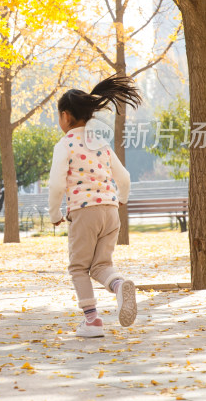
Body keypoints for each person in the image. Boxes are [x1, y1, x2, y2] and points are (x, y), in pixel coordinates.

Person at [48, 74, 142, 338]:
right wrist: (120, 199)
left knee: (78, 267)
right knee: (101, 265)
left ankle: (92, 321)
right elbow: (124, 177)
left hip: (84, 211)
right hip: (111, 211)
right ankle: (119, 285)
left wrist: (54, 214)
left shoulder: (65, 144)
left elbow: (56, 184)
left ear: (65, 116)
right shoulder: (101, 144)